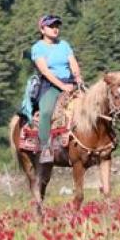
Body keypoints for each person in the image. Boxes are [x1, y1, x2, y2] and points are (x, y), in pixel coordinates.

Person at [31, 14, 83, 165]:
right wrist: (62, 87)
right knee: (46, 111)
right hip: (50, 85)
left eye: (57, 26)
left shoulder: (64, 45)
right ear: (42, 29)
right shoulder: (38, 48)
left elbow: (72, 62)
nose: (55, 29)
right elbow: (45, 72)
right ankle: (45, 148)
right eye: (51, 26)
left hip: (70, 82)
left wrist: (78, 76)